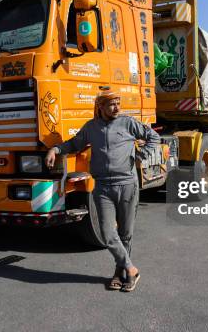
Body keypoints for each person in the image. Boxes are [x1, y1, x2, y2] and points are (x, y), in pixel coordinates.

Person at [45, 89, 160, 292]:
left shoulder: (128, 123)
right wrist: (55, 149)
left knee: (125, 233)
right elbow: (74, 143)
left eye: (118, 103)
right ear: (101, 107)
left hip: (127, 185)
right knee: (108, 233)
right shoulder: (92, 127)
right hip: (103, 187)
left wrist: (142, 156)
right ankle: (132, 269)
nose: (117, 108)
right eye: (112, 104)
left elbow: (153, 136)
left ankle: (120, 273)